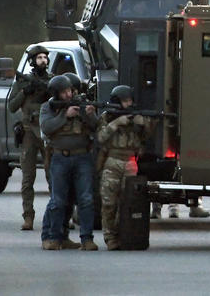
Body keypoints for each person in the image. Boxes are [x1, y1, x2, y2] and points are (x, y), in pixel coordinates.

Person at [39, 75, 98, 251]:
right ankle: (54, 237)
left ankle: (87, 238)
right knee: (58, 200)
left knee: (86, 199)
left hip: (82, 158)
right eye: (64, 92)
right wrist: (66, 115)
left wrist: (89, 115)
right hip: (59, 158)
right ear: (56, 93)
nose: (68, 94)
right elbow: (47, 127)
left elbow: (95, 127)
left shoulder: (80, 104)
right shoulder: (47, 108)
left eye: (70, 91)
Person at [97, 85, 157, 250]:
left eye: (130, 100)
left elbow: (149, 134)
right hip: (112, 161)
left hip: (131, 162)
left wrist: (143, 123)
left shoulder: (137, 117)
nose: (128, 104)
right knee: (109, 202)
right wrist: (117, 123)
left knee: (129, 202)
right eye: (125, 101)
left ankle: (126, 234)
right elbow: (101, 138)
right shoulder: (107, 117)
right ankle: (110, 237)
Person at [7, 45, 52, 230]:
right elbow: (12, 106)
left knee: (54, 176)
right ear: (33, 61)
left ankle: (59, 215)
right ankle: (28, 216)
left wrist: (48, 91)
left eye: (45, 57)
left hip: (48, 133)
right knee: (28, 178)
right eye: (39, 57)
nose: (43, 60)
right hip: (28, 134)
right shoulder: (24, 82)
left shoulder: (53, 80)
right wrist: (25, 91)